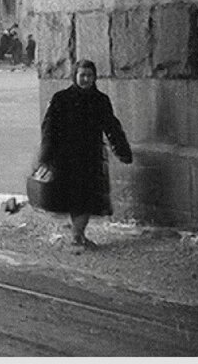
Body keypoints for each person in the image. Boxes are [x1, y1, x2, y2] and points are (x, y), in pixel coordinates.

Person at [36, 59, 133, 248]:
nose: (86, 79)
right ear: (75, 76)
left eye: (90, 76)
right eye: (82, 75)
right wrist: (45, 157)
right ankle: (77, 234)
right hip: (66, 158)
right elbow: (49, 130)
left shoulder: (100, 100)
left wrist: (122, 150)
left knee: (87, 197)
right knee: (74, 197)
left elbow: (112, 127)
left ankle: (78, 234)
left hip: (90, 157)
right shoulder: (61, 99)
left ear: (95, 77)